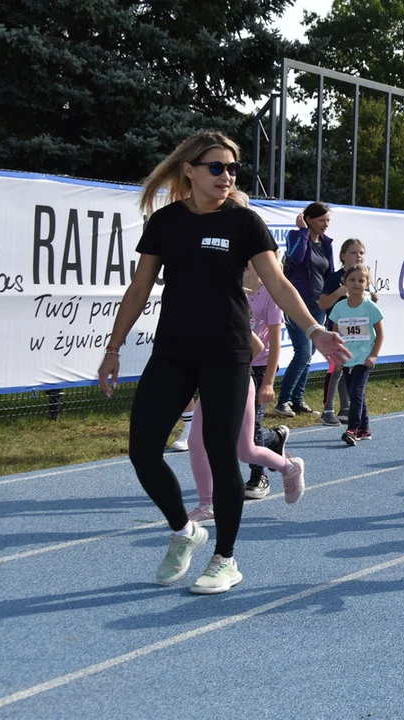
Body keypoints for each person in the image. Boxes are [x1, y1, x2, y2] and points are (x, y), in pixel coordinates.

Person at [97, 130, 347, 595]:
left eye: (232, 168)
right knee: (142, 450)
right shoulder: (166, 222)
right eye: (216, 167)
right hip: (172, 351)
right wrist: (113, 349)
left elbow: (278, 284)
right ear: (189, 170)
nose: (227, 176)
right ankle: (185, 530)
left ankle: (225, 559)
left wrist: (314, 330)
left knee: (220, 451)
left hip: (228, 353)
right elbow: (138, 290)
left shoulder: (245, 222)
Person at [186, 331, 304, 525]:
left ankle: (290, 467)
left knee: (246, 451)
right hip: (210, 385)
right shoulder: (188, 317)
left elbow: (257, 346)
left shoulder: (223, 311)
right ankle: (206, 505)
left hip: (236, 383)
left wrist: (231, 369)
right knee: (196, 442)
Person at [273, 202, 336, 417]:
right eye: (321, 220)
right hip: (296, 304)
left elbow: (330, 274)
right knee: (302, 352)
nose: (326, 225)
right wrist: (302, 231)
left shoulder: (327, 243)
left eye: (328, 221)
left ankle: (297, 400)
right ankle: (283, 402)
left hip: (319, 306)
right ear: (308, 219)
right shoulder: (295, 236)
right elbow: (296, 257)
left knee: (309, 354)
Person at [240, 260, 287, 500]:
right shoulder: (234, 289)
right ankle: (276, 437)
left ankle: (259, 475)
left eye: (250, 262)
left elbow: (276, 344)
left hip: (262, 366)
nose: (246, 266)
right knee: (240, 427)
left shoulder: (270, 297)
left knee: (252, 426)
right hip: (238, 365)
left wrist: (268, 382)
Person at [318, 238, 376, 425]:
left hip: (359, 337)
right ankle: (327, 411)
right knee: (336, 370)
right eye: (353, 252)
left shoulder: (366, 277)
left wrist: (372, 300)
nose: (358, 256)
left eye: (361, 252)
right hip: (338, 333)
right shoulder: (336, 277)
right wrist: (339, 292)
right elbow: (322, 303)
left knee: (349, 370)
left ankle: (346, 408)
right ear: (343, 255)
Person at [330, 264, 385, 446]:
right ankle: (365, 428)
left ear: (367, 283)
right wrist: (337, 358)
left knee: (355, 393)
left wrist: (373, 355)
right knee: (357, 394)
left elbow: (380, 335)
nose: (356, 283)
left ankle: (352, 429)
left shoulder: (370, 308)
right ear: (344, 282)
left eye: (361, 280)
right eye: (352, 280)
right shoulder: (338, 308)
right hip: (347, 360)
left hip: (364, 359)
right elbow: (335, 337)